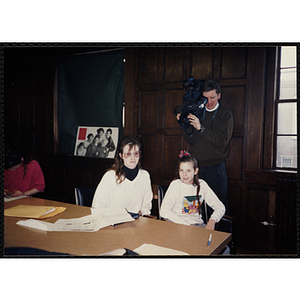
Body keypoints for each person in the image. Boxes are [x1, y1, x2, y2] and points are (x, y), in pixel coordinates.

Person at [176, 79, 234, 212]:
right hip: (197, 168)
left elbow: (222, 140)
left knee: (219, 208)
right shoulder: (197, 112)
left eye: (212, 97)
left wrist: (201, 128)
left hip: (216, 169)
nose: (209, 102)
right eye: (205, 98)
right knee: (192, 208)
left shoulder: (226, 114)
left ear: (219, 95)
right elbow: (191, 141)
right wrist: (184, 124)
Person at [160, 151, 225, 230]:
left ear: (195, 171)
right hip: (177, 225)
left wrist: (212, 220)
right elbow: (164, 211)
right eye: (181, 170)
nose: (184, 174)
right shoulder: (175, 185)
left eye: (188, 170)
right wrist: (186, 225)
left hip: (198, 226)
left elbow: (220, 207)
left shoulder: (202, 185)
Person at [91, 135, 152, 216]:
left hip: (136, 223)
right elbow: (97, 207)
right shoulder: (110, 177)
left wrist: (139, 214)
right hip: (112, 223)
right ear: (121, 155)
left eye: (136, 153)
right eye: (128, 154)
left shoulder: (144, 176)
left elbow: (146, 206)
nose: (133, 158)